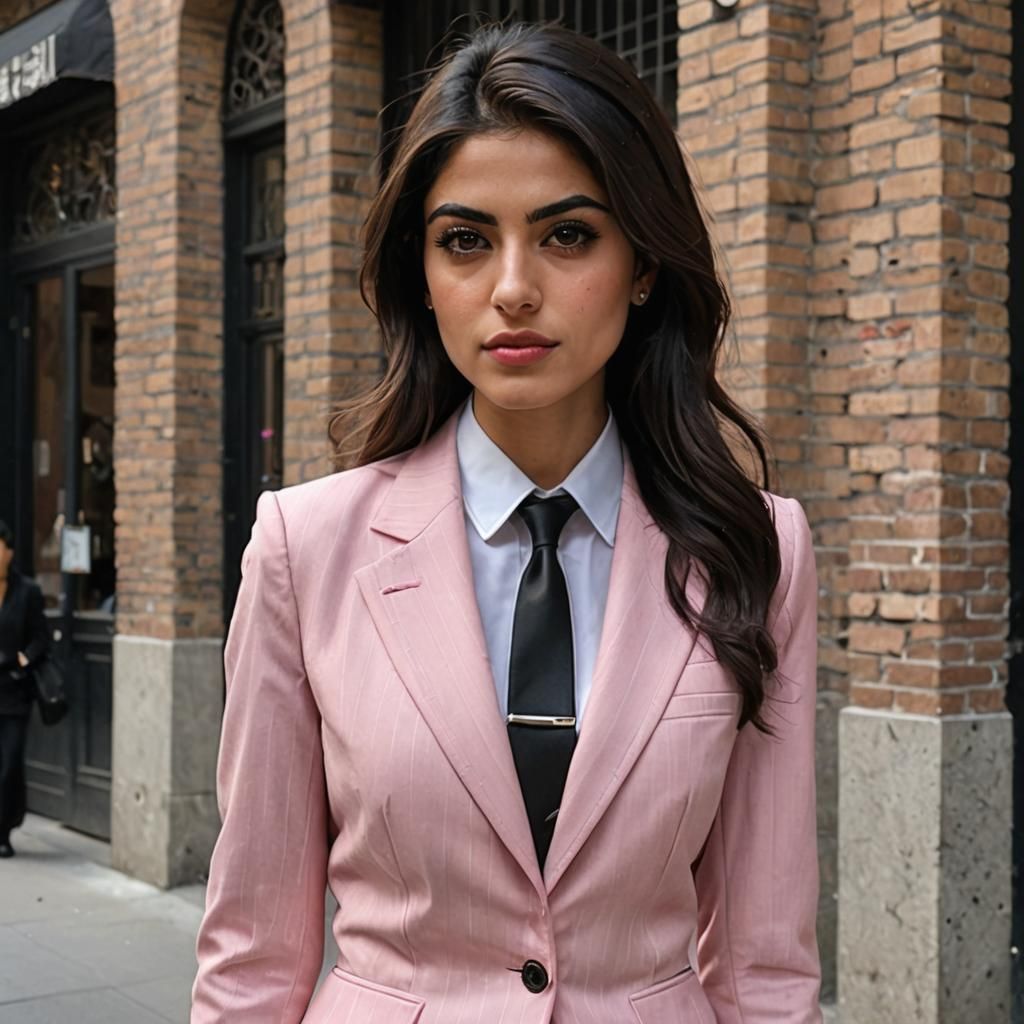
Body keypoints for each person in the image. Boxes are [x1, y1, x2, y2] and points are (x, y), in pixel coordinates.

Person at [192, 21, 821, 1024]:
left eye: (568, 234)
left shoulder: (756, 549)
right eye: (466, 241)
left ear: (644, 264)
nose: (513, 286)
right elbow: (252, 958)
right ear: (425, 273)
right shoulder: (304, 548)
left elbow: (765, 963)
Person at [0, 520, 49, 859]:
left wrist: (23, 659)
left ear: (9, 551)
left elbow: (41, 638)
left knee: (10, 765)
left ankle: (4, 828)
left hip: (14, 692)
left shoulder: (27, 591)